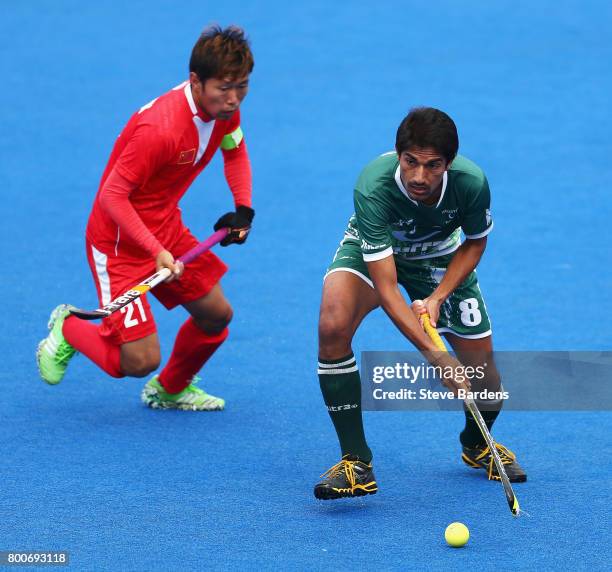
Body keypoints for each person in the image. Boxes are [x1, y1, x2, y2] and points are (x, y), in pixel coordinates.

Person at [36, 25, 255, 411]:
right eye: (224, 87)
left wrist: (243, 208)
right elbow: (112, 197)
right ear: (195, 81)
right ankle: (69, 327)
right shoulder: (161, 129)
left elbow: (234, 152)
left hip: (164, 227)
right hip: (118, 242)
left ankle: (170, 389)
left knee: (216, 315)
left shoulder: (223, 112)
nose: (235, 98)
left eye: (242, 86)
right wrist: (155, 251)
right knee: (138, 361)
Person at [314, 107, 526, 500]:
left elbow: (475, 241)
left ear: (448, 164)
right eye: (410, 162)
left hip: (439, 259)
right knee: (332, 324)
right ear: (398, 155)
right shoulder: (373, 187)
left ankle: (476, 443)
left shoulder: (471, 183)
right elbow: (387, 286)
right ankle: (356, 463)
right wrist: (436, 356)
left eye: (432, 166)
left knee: (485, 379)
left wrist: (438, 295)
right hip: (376, 256)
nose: (418, 176)